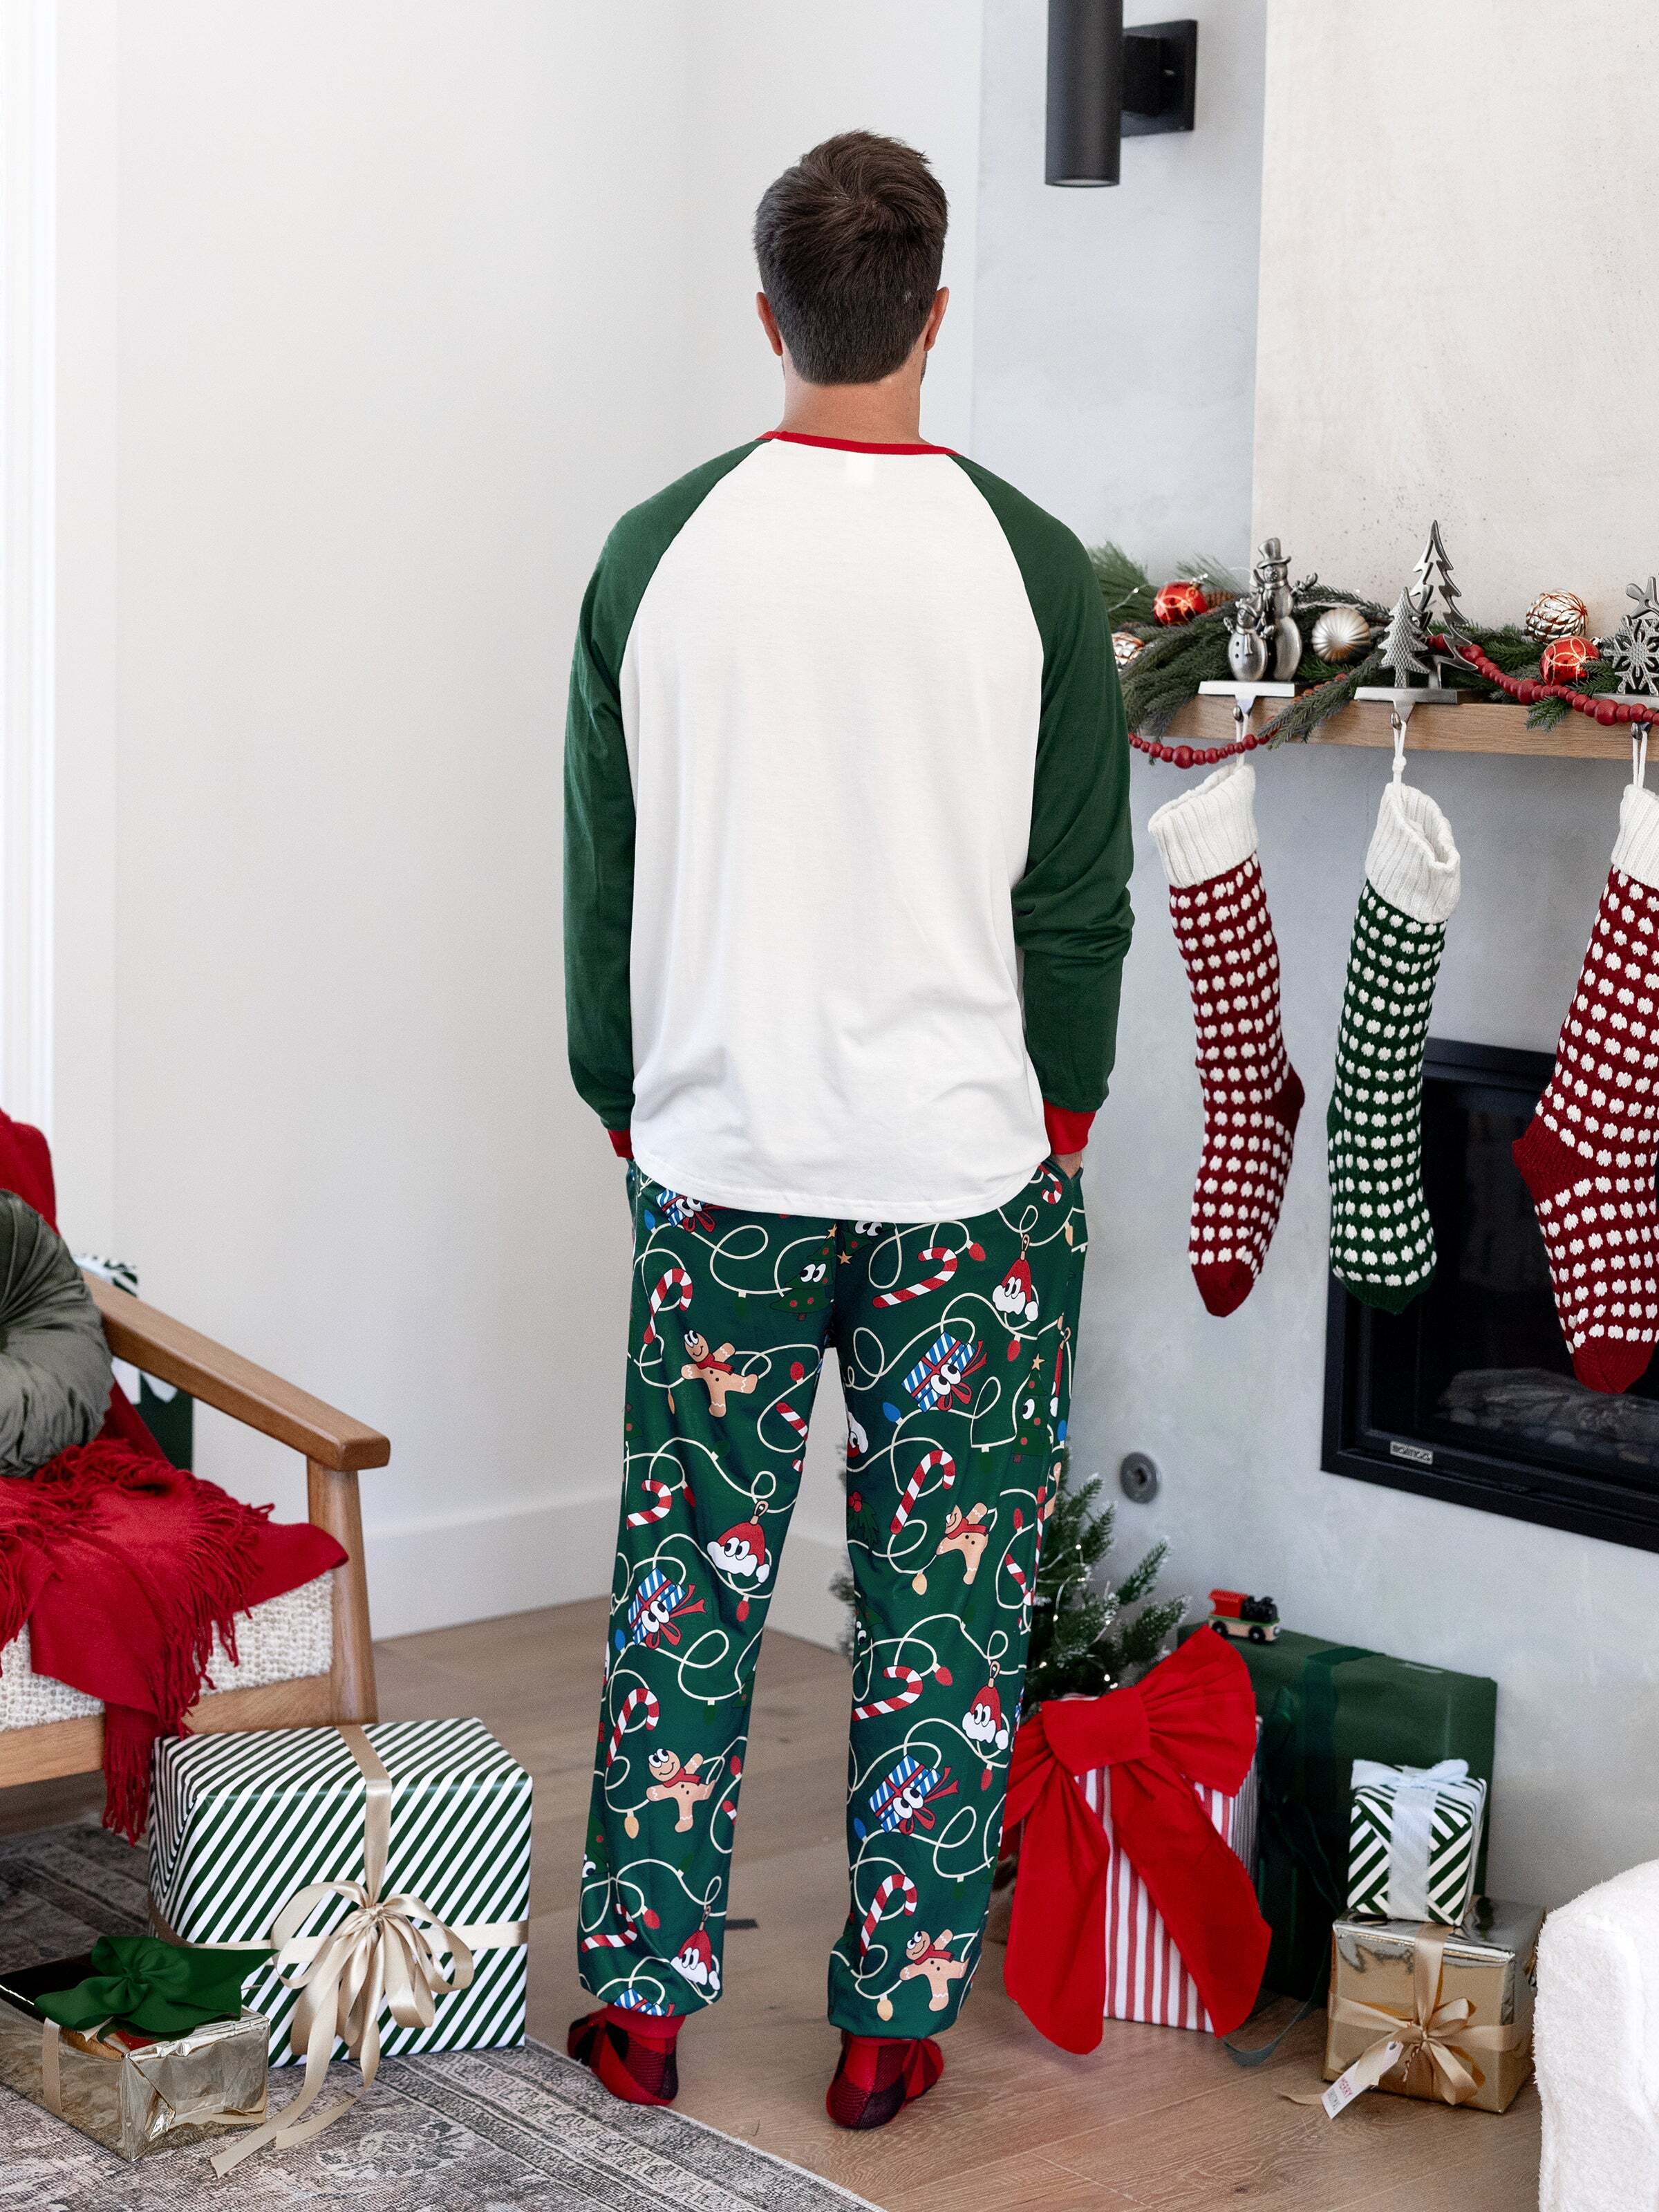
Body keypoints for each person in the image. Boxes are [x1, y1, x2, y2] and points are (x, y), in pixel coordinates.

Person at [563, 129, 1132, 2131]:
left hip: (722, 1155)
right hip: (969, 1171)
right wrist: (1060, 1116)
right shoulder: (1038, 569)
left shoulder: (658, 554)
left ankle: (641, 2004)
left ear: (769, 316)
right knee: (944, 1605)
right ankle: (891, 2021)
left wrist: (629, 1106)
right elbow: (1075, 901)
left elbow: (603, 884)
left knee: (684, 1576)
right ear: (937, 316)